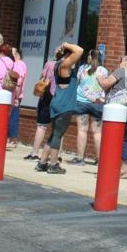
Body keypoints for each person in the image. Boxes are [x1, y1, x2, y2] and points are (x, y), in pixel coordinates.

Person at [36, 42, 84, 174]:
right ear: (68, 55)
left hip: (58, 103)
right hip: (64, 105)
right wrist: (66, 44)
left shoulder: (59, 64)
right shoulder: (64, 65)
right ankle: (53, 165)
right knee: (58, 135)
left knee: (54, 135)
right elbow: (79, 50)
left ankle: (42, 163)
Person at [98, 55, 127, 179]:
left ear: (126, 62)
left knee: (111, 138)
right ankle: (123, 169)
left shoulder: (122, 71)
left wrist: (99, 77)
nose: (119, 62)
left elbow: (105, 84)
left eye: (121, 60)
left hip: (117, 111)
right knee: (123, 139)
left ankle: (110, 168)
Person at [71, 49, 108, 165]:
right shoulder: (103, 70)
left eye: (88, 55)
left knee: (82, 130)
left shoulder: (82, 68)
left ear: (90, 57)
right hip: (98, 103)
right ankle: (100, 160)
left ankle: (80, 158)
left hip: (82, 102)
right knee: (97, 132)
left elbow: (78, 82)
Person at [30, 51, 60, 160]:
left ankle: (34, 153)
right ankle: (57, 155)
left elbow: (42, 77)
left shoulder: (49, 64)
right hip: (59, 97)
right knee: (59, 129)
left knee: (42, 126)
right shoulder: (67, 66)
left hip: (46, 97)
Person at [5, 47, 27, 151]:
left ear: (17, 53)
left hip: (15, 95)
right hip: (11, 94)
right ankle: (9, 139)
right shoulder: (14, 64)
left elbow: (18, 82)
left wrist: (16, 98)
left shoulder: (20, 64)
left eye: (12, 52)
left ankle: (13, 140)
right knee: (9, 117)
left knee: (13, 117)